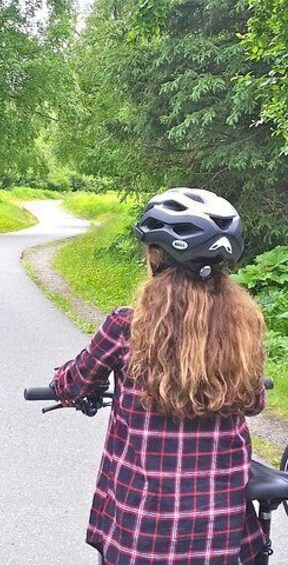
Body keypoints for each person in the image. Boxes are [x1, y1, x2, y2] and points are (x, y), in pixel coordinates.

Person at [53, 188, 268, 565]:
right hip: (219, 536)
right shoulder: (243, 329)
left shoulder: (128, 327)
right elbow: (253, 403)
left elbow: (75, 382)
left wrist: (62, 385)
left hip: (143, 533)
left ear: (157, 259)